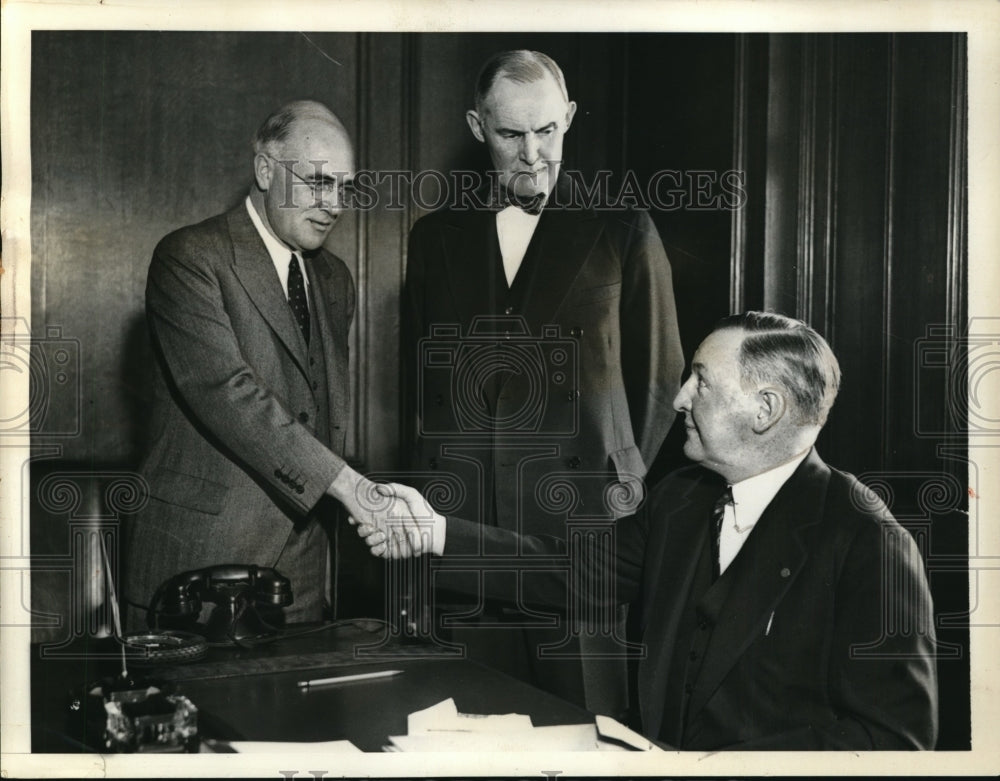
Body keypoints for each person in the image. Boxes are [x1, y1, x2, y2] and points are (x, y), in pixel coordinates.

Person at [367, 312, 939, 749]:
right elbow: (573, 573)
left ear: (765, 409)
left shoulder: (870, 543)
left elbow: (894, 741)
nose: (678, 397)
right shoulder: (681, 498)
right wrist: (434, 531)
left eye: (701, 380)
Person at [401, 49, 683, 714]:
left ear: (571, 119)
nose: (532, 155)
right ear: (477, 127)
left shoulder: (623, 229)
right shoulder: (433, 238)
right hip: (467, 532)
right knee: (469, 731)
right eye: (510, 134)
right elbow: (423, 388)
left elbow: (660, 379)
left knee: (587, 732)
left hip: (579, 540)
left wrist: (613, 489)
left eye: (548, 131)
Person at [124, 100, 423, 629]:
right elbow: (227, 391)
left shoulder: (335, 280)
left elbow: (321, 414)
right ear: (265, 170)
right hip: (197, 571)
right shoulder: (191, 257)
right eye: (317, 182)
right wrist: (356, 490)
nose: (334, 204)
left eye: (345, 187)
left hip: (302, 579)